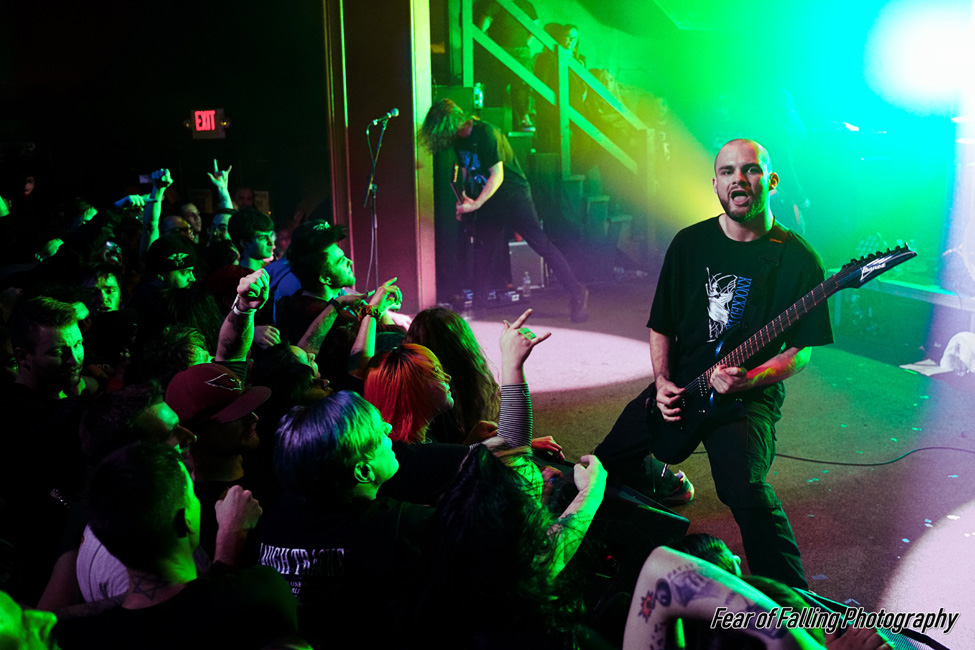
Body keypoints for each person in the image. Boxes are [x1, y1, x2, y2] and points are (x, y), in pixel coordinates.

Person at [597, 139, 833, 590]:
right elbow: (661, 324)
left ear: (771, 180)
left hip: (748, 399)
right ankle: (639, 519)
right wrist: (663, 381)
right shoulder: (690, 244)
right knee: (605, 466)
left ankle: (795, 608)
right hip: (685, 383)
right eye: (727, 172)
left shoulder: (798, 260)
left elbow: (800, 350)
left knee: (743, 490)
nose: (738, 180)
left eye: (750, 170)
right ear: (715, 183)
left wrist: (749, 380)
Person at [54, 442, 298, 650]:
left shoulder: (91, 638)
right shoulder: (262, 593)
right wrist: (232, 533)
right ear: (185, 520)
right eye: (191, 492)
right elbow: (206, 608)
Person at [419, 99, 589, 322]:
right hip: (490, 200)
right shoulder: (458, 141)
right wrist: (465, 200)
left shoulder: (487, 133)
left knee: (541, 245)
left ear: (448, 123)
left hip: (514, 196)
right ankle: (478, 311)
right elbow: (468, 172)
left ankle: (578, 292)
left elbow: (496, 175)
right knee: (482, 254)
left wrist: (477, 203)